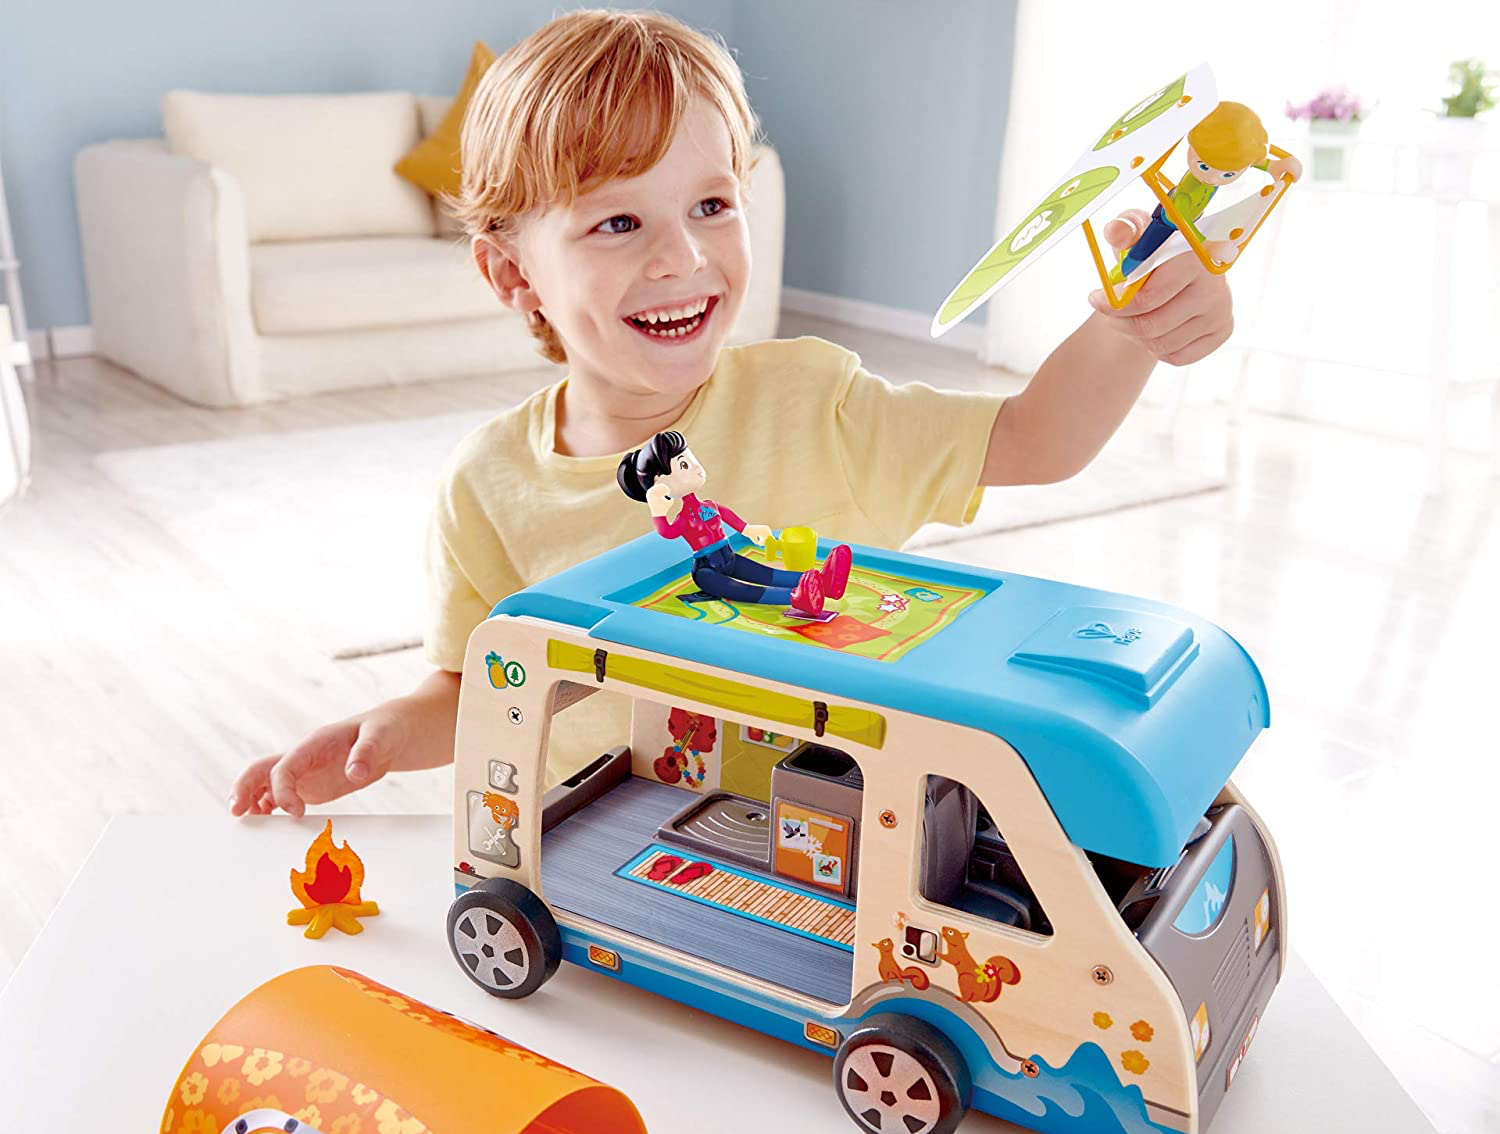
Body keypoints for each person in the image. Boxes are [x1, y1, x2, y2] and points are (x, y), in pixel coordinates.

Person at [230, 8, 1235, 818]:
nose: (681, 257)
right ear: (511, 274)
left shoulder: (813, 402)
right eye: (618, 221)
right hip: (610, 853)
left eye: (711, 206)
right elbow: (475, 688)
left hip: (849, 840)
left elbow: (1035, 439)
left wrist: (1130, 327)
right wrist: (380, 738)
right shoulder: (485, 484)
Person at [616, 429, 852, 613]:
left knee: (766, 574)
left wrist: (748, 529)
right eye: (684, 465)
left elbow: (727, 516)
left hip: (729, 557)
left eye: (691, 458)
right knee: (742, 589)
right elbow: (668, 532)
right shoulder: (684, 518)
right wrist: (658, 512)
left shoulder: (709, 506)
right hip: (706, 570)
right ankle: (796, 597)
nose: (696, 468)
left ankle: (824, 582)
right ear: (660, 483)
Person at [1114, 102, 1304, 281]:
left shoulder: (1230, 158)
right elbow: (1183, 223)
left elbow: (1248, 159)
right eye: (1204, 166)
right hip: (1168, 221)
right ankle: (1120, 272)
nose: (1213, 178)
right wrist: (1206, 245)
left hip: (1193, 215)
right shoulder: (1183, 198)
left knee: (1163, 255)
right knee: (1140, 256)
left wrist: (1272, 166)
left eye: (1228, 174)